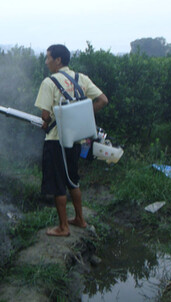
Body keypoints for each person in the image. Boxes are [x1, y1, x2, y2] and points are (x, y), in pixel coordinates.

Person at [35, 44, 108, 237]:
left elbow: (44, 115)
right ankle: (79, 219)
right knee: (73, 179)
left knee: (58, 182)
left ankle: (63, 227)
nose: (46, 61)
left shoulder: (49, 82)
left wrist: (47, 121)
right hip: (76, 139)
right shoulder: (81, 78)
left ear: (58, 60)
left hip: (56, 141)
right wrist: (82, 116)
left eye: (48, 57)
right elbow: (102, 100)